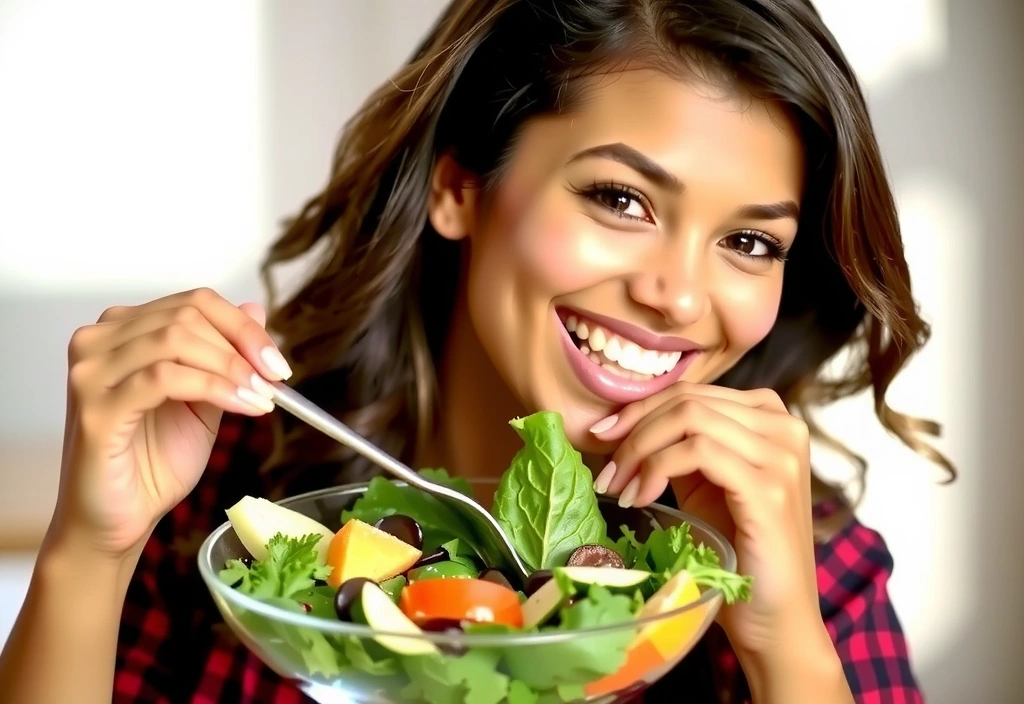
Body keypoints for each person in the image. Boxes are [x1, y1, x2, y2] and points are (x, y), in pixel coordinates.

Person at [0, 0, 954, 702]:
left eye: (750, 243)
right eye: (620, 199)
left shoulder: (801, 566)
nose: (681, 295)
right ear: (459, 186)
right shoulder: (237, 495)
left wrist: (786, 642)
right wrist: (93, 545)